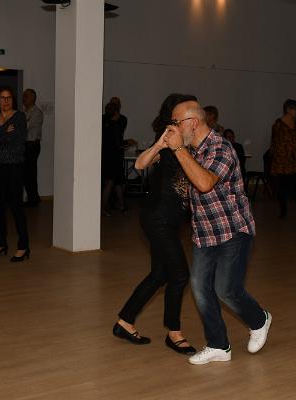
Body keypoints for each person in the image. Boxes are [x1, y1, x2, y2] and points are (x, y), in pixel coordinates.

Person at [163, 99, 271, 365]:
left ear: (192, 122)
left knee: (226, 290)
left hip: (233, 230)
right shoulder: (193, 150)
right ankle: (218, 345)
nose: (173, 128)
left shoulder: (221, 147)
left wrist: (178, 150)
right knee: (200, 288)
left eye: (176, 122)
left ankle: (259, 319)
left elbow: (204, 183)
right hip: (205, 233)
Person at [113, 94, 197, 355]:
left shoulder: (192, 140)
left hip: (171, 219)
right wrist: (160, 144)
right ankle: (174, 333)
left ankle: (124, 321)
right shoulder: (169, 138)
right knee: (180, 274)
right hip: (157, 217)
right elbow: (140, 164)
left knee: (160, 273)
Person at [0, 87, 30, 262]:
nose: (6, 101)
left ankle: (23, 246)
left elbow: (16, 139)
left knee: (16, 206)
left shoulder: (19, 117)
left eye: (9, 98)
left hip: (13, 166)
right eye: (2, 98)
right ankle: (0, 243)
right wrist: (2, 134)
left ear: (13, 100)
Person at [270, 99, 296, 219]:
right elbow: (274, 143)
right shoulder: (278, 125)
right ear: (288, 110)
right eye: (295, 109)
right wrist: (275, 163)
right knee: (283, 189)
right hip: (283, 162)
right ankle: (283, 213)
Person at [101, 102, 126, 216]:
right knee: (110, 183)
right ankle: (103, 208)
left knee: (114, 182)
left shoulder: (103, 123)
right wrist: (128, 143)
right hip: (114, 158)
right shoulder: (115, 125)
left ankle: (121, 204)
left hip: (105, 156)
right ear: (116, 112)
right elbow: (118, 144)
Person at [22, 88, 43, 207]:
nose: (24, 98)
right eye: (24, 96)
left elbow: (25, 126)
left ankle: (33, 199)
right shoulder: (23, 112)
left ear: (33, 98)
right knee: (26, 173)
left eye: (26, 96)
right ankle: (32, 198)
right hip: (25, 145)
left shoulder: (37, 112)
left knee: (30, 173)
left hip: (32, 145)